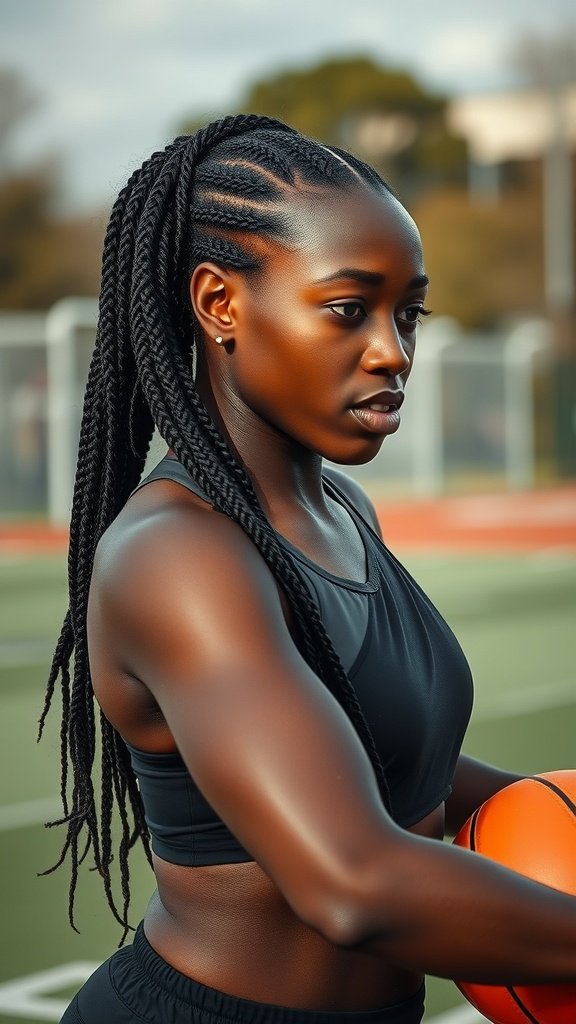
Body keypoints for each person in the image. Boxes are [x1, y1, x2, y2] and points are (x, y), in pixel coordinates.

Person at [40, 114, 576, 1024]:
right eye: (347, 309)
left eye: (409, 313)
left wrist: (541, 799)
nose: (393, 351)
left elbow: (391, 764)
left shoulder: (340, 511)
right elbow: (354, 882)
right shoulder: (179, 554)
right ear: (219, 305)